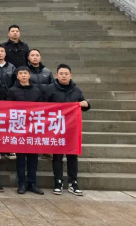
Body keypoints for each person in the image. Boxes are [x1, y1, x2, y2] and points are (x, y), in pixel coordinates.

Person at [45, 64, 90, 196]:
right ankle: (58, 182)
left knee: (72, 156)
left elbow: (84, 104)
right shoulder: (50, 89)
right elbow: (42, 106)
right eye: (61, 74)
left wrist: (86, 104)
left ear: (71, 75)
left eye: (66, 74)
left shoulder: (76, 90)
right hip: (56, 128)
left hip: (71, 129)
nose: (64, 76)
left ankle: (73, 182)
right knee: (57, 157)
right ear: (56, 75)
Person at [7, 66, 45, 195]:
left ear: (29, 75)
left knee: (33, 158)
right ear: (17, 76)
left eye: (25, 73)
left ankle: (32, 183)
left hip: (33, 129)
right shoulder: (12, 91)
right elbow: (8, 109)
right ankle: (22, 184)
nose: (23, 75)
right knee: (21, 159)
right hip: (19, 129)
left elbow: (42, 108)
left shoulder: (37, 91)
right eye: (21, 73)